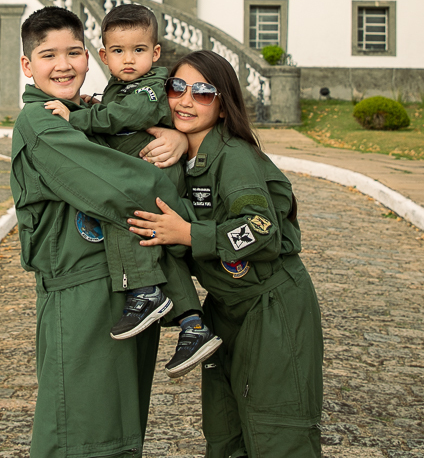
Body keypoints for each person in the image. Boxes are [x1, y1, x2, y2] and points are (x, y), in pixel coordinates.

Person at [10, 6, 190, 458]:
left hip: (128, 289)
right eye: (48, 55)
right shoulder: (42, 122)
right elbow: (126, 185)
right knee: (81, 436)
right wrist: (189, 218)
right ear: (28, 67)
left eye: (74, 52)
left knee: (120, 433)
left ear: (91, 57)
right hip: (81, 294)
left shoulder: (87, 111)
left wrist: (180, 139)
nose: (64, 64)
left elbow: (134, 144)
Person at [129, 49, 324, 458]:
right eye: (177, 88)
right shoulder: (187, 157)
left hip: (271, 307)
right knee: (225, 431)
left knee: (276, 431)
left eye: (202, 92)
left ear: (222, 105)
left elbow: (261, 230)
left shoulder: (233, 157)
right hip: (225, 308)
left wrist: (188, 233)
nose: (185, 100)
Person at [44, 3, 220, 377]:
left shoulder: (152, 85)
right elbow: (116, 110)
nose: (129, 60)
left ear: (155, 53)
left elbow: (127, 116)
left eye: (139, 50)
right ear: (104, 56)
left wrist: (78, 117)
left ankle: (145, 292)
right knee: (157, 246)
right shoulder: (120, 86)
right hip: (143, 174)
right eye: (119, 52)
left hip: (155, 177)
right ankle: (194, 325)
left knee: (129, 223)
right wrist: (92, 102)